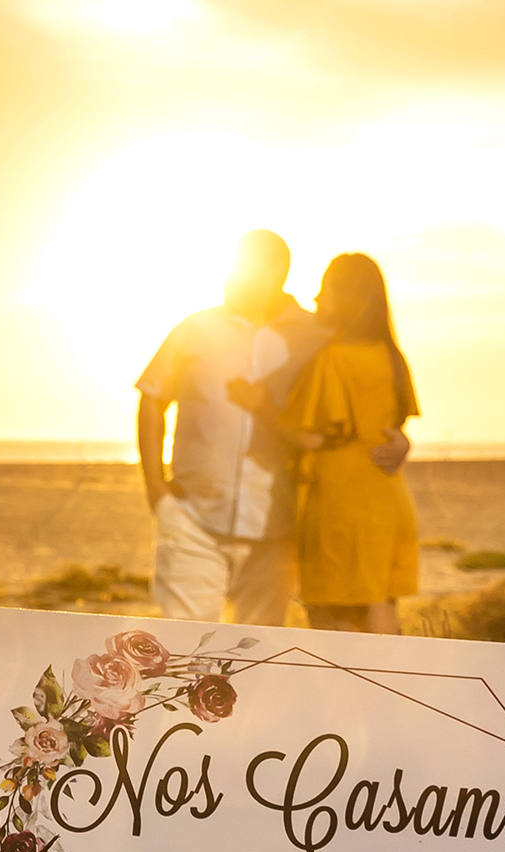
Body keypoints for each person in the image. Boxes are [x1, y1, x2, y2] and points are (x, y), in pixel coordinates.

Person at [134, 231, 328, 625]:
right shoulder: (195, 328)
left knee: (254, 658)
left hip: (277, 526)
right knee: (183, 650)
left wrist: (397, 438)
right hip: (192, 519)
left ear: (280, 271)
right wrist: (156, 489)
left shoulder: (315, 336)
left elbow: (349, 405)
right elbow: (153, 397)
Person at [249, 253, 420, 634]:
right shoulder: (390, 356)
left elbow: (311, 435)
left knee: (338, 617)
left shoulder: (334, 359)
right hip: (387, 498)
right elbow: (391, 426)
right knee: (380, 604)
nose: (315, 299)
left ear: (345, 298)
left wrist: (261, 406)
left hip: (341, 501)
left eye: (325, 290)